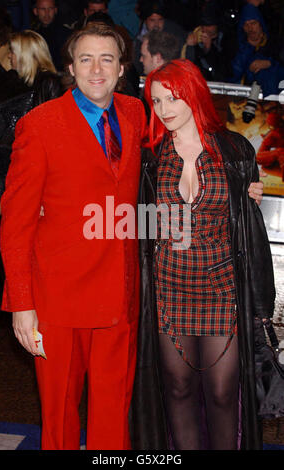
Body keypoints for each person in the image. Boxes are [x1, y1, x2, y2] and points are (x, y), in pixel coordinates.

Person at [0, 22, 146, 450]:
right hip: (57, 301)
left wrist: (238, 174)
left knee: (114, 414)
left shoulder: (135, 114)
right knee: (59, 416)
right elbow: (16, 224)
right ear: (70, 67)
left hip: (120, 298)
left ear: (122, 69)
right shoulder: (39, 126)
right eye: (86, 59)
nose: (96, 69)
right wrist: (22, 305)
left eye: (107, 59)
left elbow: (183, 146)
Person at [129, 58, 275, 450]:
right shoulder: (151, 157)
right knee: (177, 388)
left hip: (220, 284)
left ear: (194, 94)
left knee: (225, 391)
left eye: (173, 98)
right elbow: (139, 223)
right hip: (168, 283)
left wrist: (251, 197)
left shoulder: (233, 149)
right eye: (156, 102)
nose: (164, 110)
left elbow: (248, 227)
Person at [0, 29, 62, 316]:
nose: (10, 59)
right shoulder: (30, 84)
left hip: (39, 175)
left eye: (13, 54)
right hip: (19, 169)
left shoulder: (49, 84)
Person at [230, 3, 284, 97]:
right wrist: (248, 49)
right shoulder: (236, 45)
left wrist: (269, 64)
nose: (250, 28)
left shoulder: (275, 44)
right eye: (246, 25)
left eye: (253, 23)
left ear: (260, 24)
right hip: (244, 98)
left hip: (274, 99)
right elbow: (232, 74)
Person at [133, 1, 186, 76]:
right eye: (152, 20)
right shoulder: (138, 39)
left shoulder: (176, 33)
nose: (156, 25)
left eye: (160, 20)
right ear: (145, 21)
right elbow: (138, 69)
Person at [32, 0, 71, 70]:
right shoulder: (33, 35)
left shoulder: (66, 34)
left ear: (55, 10)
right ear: (35, 11)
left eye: (50, 9)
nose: (47, 13)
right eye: (42, 9)